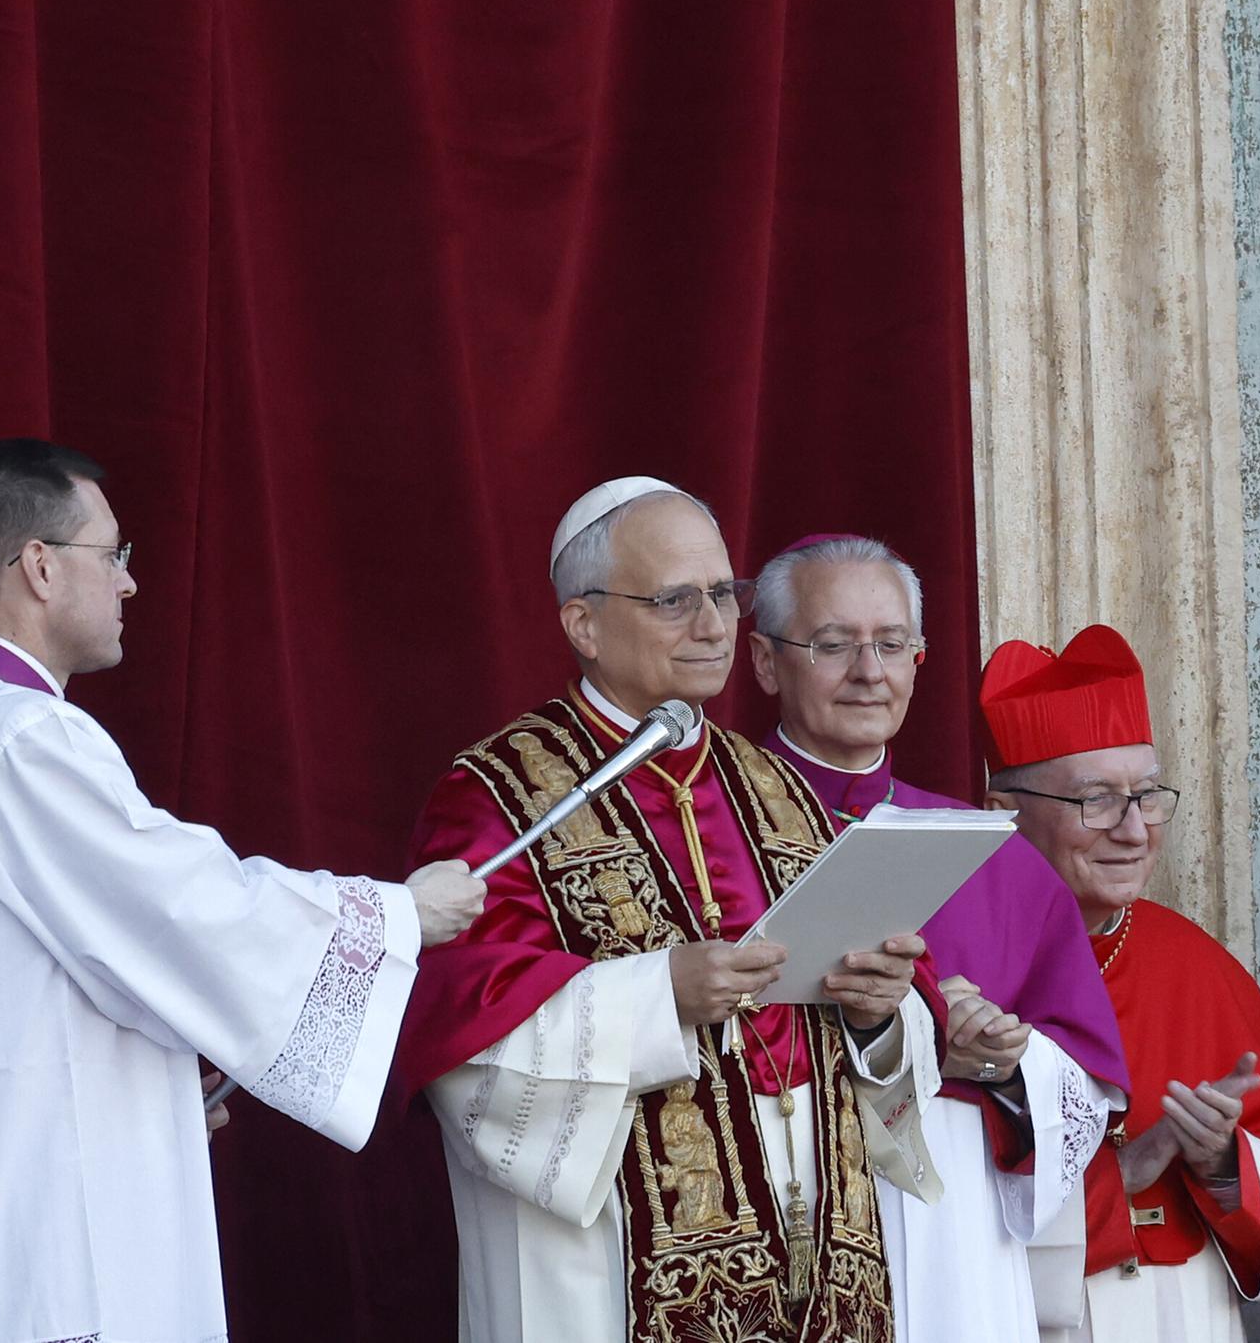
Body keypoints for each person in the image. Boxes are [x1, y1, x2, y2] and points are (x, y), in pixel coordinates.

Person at [0, 437, 485, 1343]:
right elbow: (186, 912)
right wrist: (398, 914)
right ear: (37, 566)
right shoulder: (20, 741)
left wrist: (150, 1094)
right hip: (46, 1223)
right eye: (112, 554)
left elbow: (28, 996)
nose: (129, 584)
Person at [397, 479, 941, 1343]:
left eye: (725, 594)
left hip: (816, 1254)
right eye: (675, 600)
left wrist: (881, 1012)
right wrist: (662, 996)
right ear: (584, 624)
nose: (716, 624)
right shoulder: (502, 791)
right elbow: (457, 1028)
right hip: (608, 1263)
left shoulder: (783, 787)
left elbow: (888, 1018)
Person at [749, 534, 1128, 1342]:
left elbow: (1088, 1078)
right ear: (765, 662)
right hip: (782, 1203)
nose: (869, 671)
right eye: (832, 644)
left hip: (954, 1234)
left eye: (892, 645)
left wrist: (1007, 1057)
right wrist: (920, 1035)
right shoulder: (711, 831)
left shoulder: (990, 850)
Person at [979, 623, 1260, 1343]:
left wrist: (1224, 1162)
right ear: (1005, 814)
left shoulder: (1194, 961)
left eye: (1147, 796)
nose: (1134, 830)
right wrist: (1118, 1178)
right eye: (1096, 800)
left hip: (1185, 1316)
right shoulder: (960, 964)